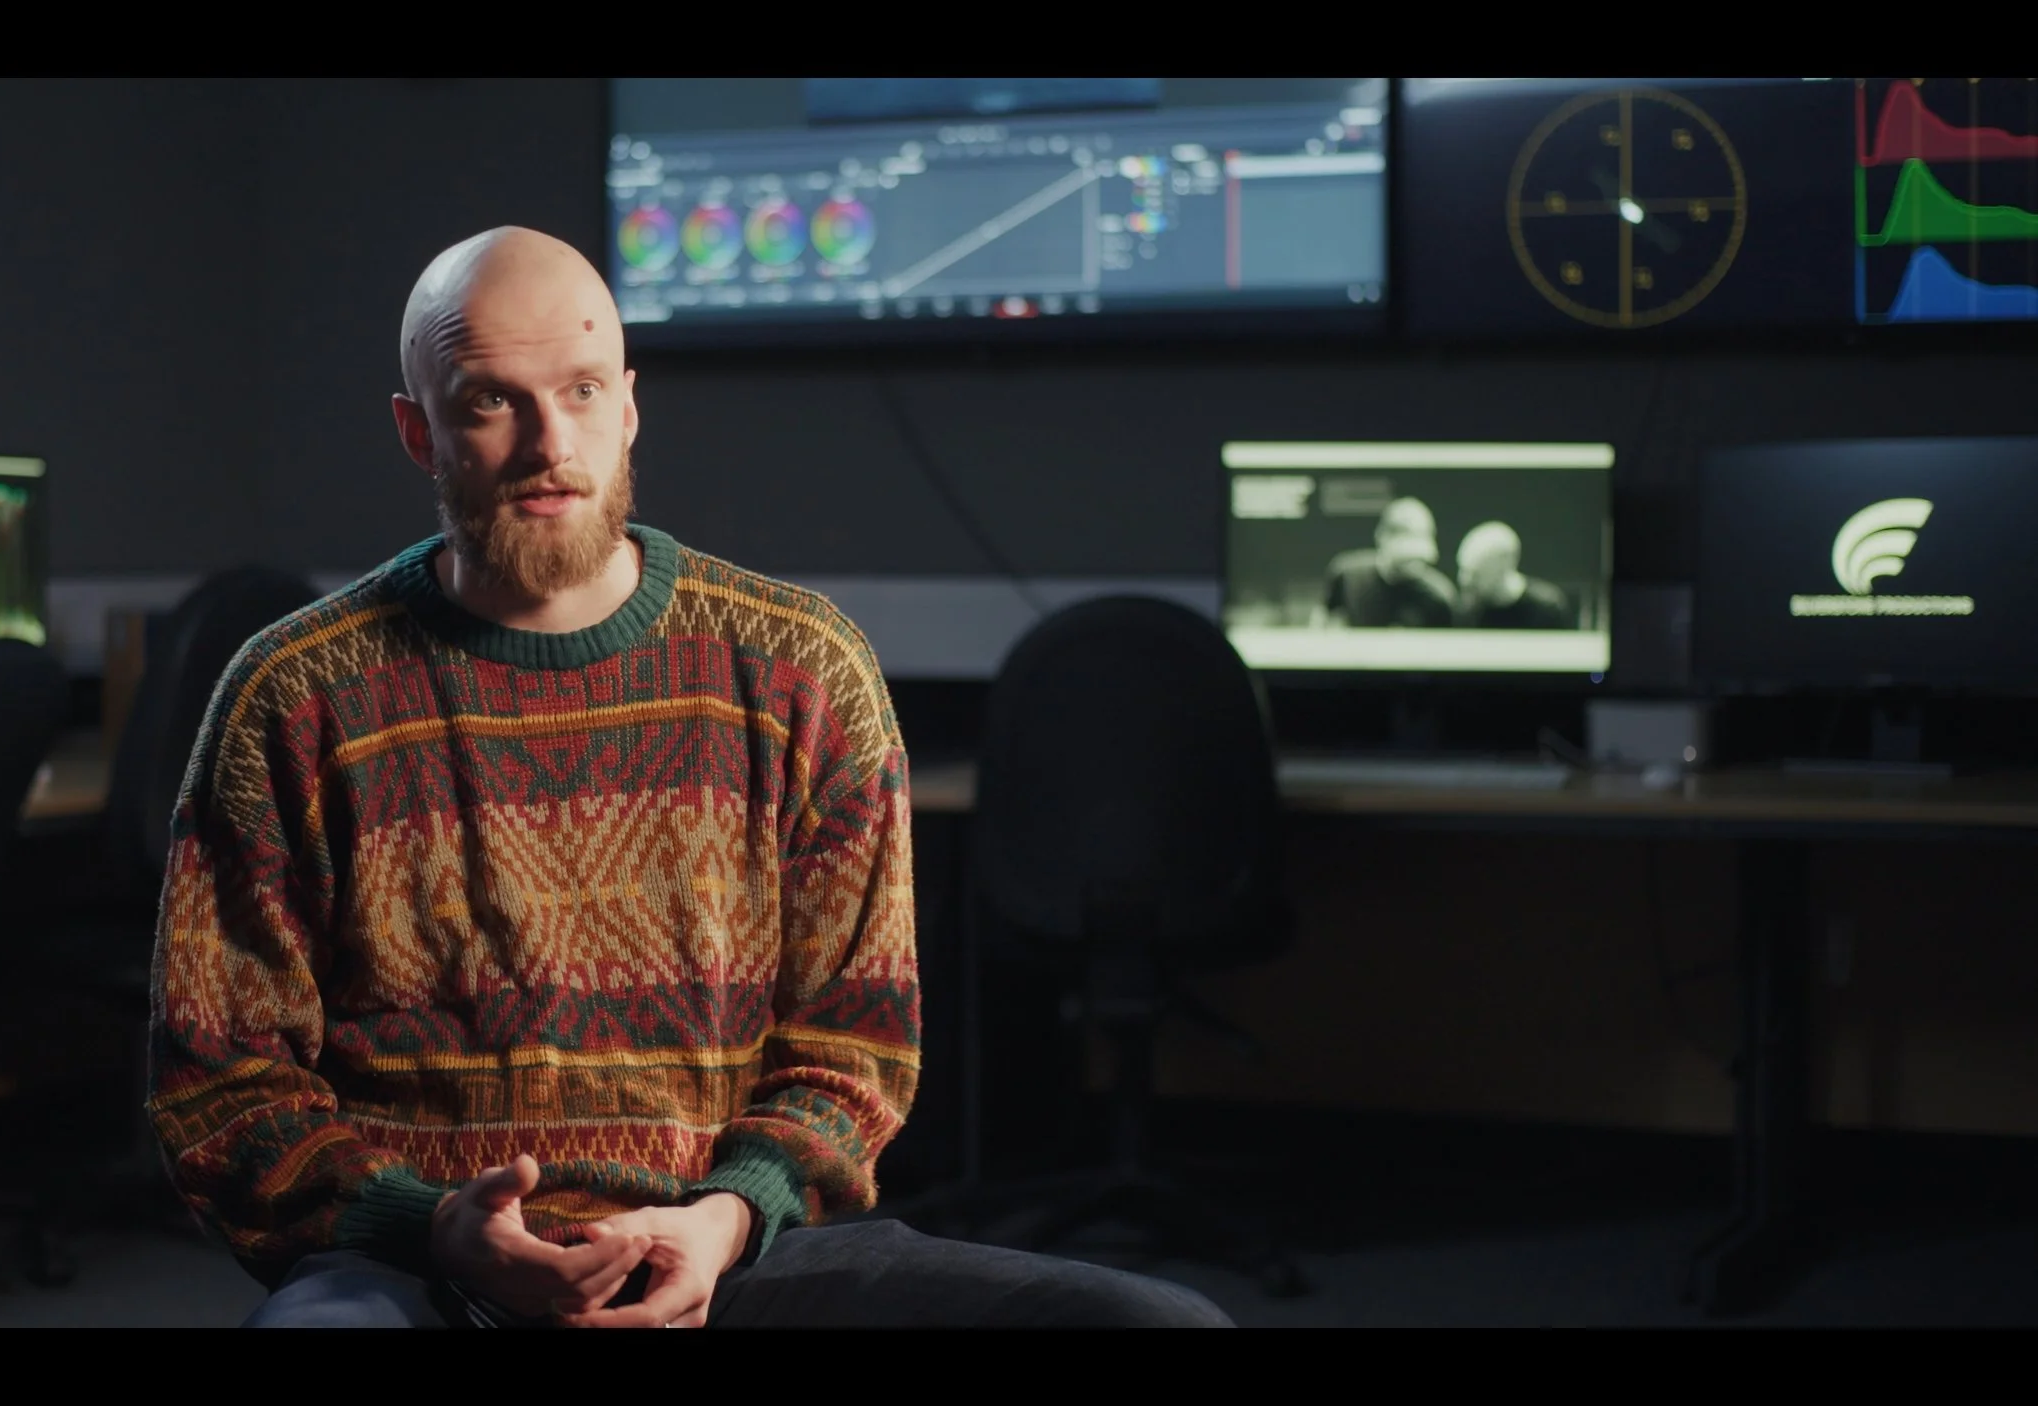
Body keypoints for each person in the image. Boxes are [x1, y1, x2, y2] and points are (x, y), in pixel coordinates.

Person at [146, 226, 1232, 1330]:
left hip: (726, 1257)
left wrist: (720, 1218)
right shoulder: (295, 694)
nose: (545, 440)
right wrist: (434, 1226)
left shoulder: (802, 670)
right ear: (416, 431)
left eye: (577, 391)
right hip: (413, 1269)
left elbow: (852, 1046)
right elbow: (221, 1082)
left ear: (627, 406)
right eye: (488, 402)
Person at [1323, 497, 1456, 628]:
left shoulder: (1439, 598)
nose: (1411, 565)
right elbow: (1323, 622)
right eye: (1404, 558)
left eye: (1417, 558)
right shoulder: (1348, 577)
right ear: (1381, 538)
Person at [1451, 521, 1573, 630]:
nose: (1465, 581)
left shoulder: (1548, 609)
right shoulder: (1466, 614)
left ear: (1504, 565)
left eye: (1476, 574)